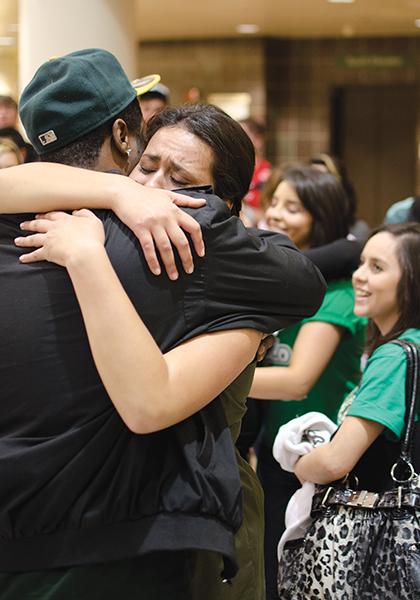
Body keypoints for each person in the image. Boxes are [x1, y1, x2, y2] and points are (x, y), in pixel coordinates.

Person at [0, 49, 325, 599]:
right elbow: (304, 281)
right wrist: (110, 207)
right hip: (140, 530)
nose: (154, 189)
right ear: (125, 136)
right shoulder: (187, 238)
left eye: (180, 178)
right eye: (148, 167)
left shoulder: (27, 225)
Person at [248, 166, 367, 600]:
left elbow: (297, 381)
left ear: (322, 217)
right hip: (277, 453)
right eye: (274, 202)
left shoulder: (335, 293)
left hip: (319, 458)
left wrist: (206, 379)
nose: (276, 214)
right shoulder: (282, 282)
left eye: (292, 208)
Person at [292, 222, 420, 598]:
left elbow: (336, 461)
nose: (360, 277)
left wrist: (299, 465)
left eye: (377, 268)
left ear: (411, 283)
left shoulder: (395, 357)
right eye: (362, 264)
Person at [309, 152, 370, 242]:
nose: (316, 186)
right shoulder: (298, 225)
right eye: (311, 178)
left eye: (323, 179)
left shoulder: (357, 230)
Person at [239, 118, 272, 225]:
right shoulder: (227, 170)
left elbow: (268, 214)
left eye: (241, 135)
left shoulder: (268, 174)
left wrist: (247, 213)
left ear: (258, 140)